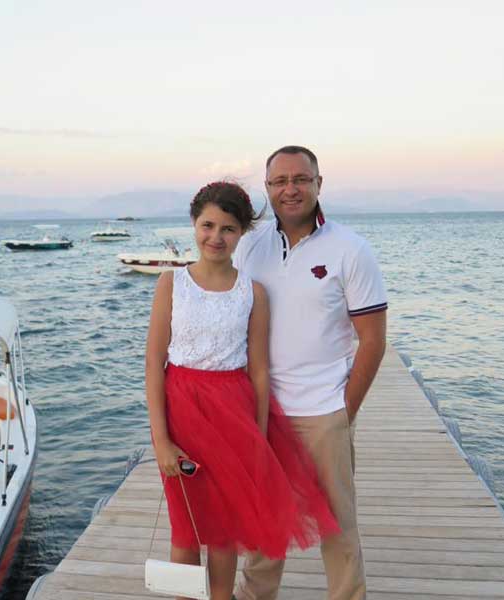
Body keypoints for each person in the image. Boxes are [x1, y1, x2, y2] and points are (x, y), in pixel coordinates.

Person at [145, 181, 339, 600]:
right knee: (186, 526)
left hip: (234, 412)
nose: (216, 237)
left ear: (242, 233)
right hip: (182, 410)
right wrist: (161, 440)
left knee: (224, 529)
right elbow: (153, 367)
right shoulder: (170, 285)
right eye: (208, 225)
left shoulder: (252, 293)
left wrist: (260, 437)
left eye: (228, 228)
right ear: (194, 225)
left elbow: (260, 372)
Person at [233, 146, 388, 600]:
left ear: (320, 183)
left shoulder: (350, 250)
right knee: (264, 522)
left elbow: (373, 341)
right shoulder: (250, 245)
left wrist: (345, 409)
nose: (290, 189)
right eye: (279, 181)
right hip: (265, 410)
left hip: (324, 410)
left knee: (337, 524)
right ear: (267, 189)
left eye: (300, 179)